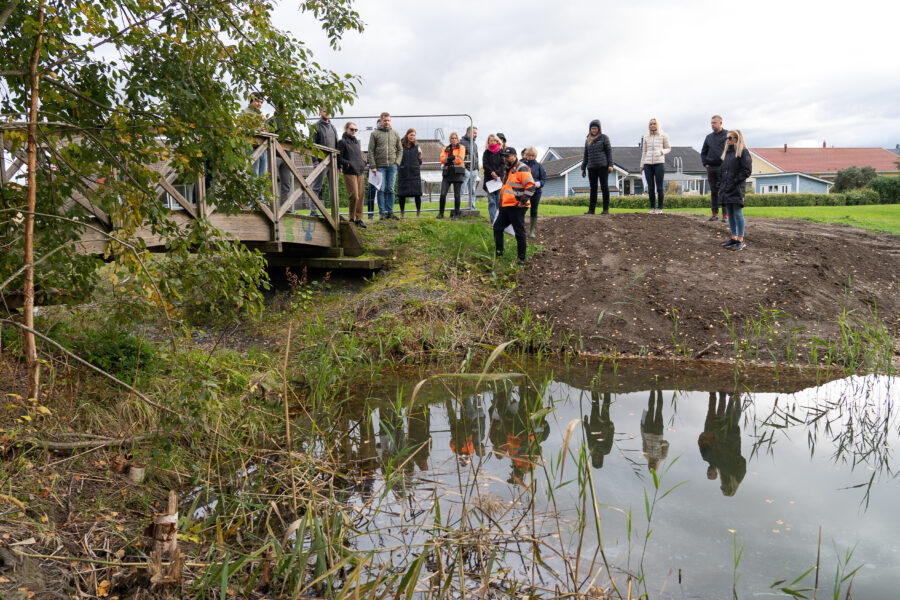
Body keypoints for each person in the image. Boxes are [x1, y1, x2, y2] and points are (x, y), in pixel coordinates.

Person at [698, 392, 747, 497]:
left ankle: (731, 397)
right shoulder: (737, 476)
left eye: (722, 488)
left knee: (727, 417)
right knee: (734, 420)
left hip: (722, 440)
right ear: (731, 488)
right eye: (724, 488)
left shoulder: (723, 475)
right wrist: (733, 457)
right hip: (733, 442)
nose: (722, 486)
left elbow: (719, 458)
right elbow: (742, 462)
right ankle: (737, 398)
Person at [493, 146, 535, 265]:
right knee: (497, 227)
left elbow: (531, 186)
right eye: (504, 157)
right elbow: (506, 188)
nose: (505, 158)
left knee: (519, 231)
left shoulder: (522, 168)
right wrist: (501, 205)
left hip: (517, 206)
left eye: (508, 156)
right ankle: (499, 253)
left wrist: (522, 201)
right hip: (506, 205)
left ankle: (521, 258)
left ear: (515, 156)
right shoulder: (507, 169)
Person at [720, 129, 752, 251]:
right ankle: (733, 238)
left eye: (730, 138)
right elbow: (723, 172)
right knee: (731, 214)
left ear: (736, 139)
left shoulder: (743, 152)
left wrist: (735, 181)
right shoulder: (727, 154)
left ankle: (741, 240)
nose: (727, 140)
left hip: (737, 188)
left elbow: (747, 171)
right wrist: (721, 185)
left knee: (738, 213)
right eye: (726, 138)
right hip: (726, 188)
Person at [368, 112, 403, 220]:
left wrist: (397, 162)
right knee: (381, 189)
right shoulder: (375, 134)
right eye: (385, 120)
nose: (387, 122)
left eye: (388, 120)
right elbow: (371, 151)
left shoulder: (395, 133)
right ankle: (382, 212)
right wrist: (373, 166)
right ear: (381, 121)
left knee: (391, 189)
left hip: (392, 166)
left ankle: (390, 212)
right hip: (379, 167)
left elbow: (400, 149)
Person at [336, 121, 367, 227]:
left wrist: (363, 163)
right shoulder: (342, 142)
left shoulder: (356, 142)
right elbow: (339, 157)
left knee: (361, 196)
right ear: (346, 129)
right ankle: (351, 218)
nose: (354, 131)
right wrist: (347, 164)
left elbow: (358, 156)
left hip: (359, 171)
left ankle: (359, 219)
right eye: (351, 129)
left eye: (355, 130)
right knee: (354, 195)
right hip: (349, 172)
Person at [581, 119, 614, 215]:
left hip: (602, 167)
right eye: (592, 128)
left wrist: (610, 165)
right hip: (591, 167)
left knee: (604, 187)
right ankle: (591, 210)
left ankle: (605, 209)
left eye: (595, 128)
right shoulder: (587, 140)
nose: (594, 130)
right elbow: (586, 155)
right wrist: (583, 168)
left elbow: (609, 152)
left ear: (599, 129)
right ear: (590, 129)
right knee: (593, 189)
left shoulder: (604, 138)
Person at [701, 115, 729, 222]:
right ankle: (714, 213)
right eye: (711, 123)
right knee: (713, 191)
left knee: (724, 191)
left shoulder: (727, 135)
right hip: (711, 168)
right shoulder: (708, 137)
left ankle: (725, 215)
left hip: (723, 167)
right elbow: (703, 152)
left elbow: (732, 149)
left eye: (714, 123)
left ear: (720, 123)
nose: (712, 125)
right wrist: (705, 163)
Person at [639, 118, 671, 214]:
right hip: (648, 164)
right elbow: (644, 152)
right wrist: (642, 165)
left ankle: (660, 208)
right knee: (650, 187)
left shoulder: (663, 135)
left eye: (654, 124)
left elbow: (668, 148)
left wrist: (662, 151)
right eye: (650, 124)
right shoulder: (646, 137)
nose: (652, 125)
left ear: (657, 125)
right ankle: (652, 207)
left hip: (659, 163)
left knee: (659, 186)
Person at [311, 107, 338, 216]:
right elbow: (312, 145)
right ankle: (313, 211)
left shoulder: (333, 127)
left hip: (333, 162)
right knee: (316, 187)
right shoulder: (315, 126)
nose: (327, 113)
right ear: (320, 112)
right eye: (324, 111)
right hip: (321, 162)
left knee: (334, 189)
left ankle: (335, 213)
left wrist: (338, 164)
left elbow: (336, 146)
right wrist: (315, 161)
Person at [438, 132, 466, 219]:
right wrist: (451, 159)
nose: (454, 140)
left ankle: (456, 214)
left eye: (455, 138)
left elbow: (460, 159)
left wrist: (449, 160)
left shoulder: (462, 147)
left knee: (457, 195)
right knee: (443, 194)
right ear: (450, 139)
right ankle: (441, 213)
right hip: (447, 173)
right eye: (452, 138)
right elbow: (442, 159)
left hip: (458, 172)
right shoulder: (445, 148)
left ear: (458, 139)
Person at [583, 390, 615, 469]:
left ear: (592, 459)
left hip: (593, 424)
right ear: (601, 460)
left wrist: (586, 424)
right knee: (606, 406)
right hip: (605, 426)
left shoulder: (591, 448)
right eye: (598, 460)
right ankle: (607, 389)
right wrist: (611, 428)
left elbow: (588, 435)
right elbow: (610, 438)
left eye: (595, 460)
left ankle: (594, 388)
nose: (596, 459)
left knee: (594, 405)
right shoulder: (606, 450)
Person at [641, 389, 669, 472]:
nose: (652, 465)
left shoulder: (646, 456)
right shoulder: (662, 457)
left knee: (650, 408)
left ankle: (652, 390)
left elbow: (644, 442)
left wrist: (642, 429)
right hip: (658, 433)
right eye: (653, 467)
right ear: (656, 467)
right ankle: (659, 391)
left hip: (647, 431)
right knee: (659, 410)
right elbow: (667, 444)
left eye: (650, 467)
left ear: (648, 466)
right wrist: (660, 444)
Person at [397, 128, 423, 217]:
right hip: (403, 172)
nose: (412, 137)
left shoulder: (417, 147)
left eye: (414, 135)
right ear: (407, 135)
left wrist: (415, 165)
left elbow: (420, 160)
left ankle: (418, 212)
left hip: (414, 173)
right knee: (402, 194)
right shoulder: (400, 145)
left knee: (417, 193)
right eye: (411, 135)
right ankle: (402, 212)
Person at [522, 147, 546, 238]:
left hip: (536, 192)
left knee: (534, 210)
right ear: (526, 155)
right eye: (528, 155)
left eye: (532, 155)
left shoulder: (539, 166)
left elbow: (543, 179)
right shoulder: (522, 165)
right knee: (522, 209)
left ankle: (531, 231)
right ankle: (521, 229)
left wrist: (540, 183)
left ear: (535, 156)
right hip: (524, 191)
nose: (530, 157)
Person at [481, 133, 505, 223]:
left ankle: (499, 219)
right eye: (491, 140)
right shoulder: (486, 152)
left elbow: (503, 164)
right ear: (488, 142)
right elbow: (485, 164)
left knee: (498, 200)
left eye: (495, 140)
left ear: (497, 141)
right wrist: (492, 172)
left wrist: (497, 174)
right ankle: (493, 220)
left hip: (498, 179)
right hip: (489, 179)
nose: (493, 142)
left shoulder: (501, 152)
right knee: (491, 201)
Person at [244, 92, 267, 179]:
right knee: (254, 174)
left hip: (262, 146)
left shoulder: (260, 114)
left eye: (261, 102)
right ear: (252, 101)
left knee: (262, 175)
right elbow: (242, 129)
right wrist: (258, 130)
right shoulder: (245, 113)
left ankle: (261, 193)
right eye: (257, 101)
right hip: (251, 146)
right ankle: (253, 192)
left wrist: (264, 131)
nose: (259, 104)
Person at [460, 126, 479, 210]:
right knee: (461, 189)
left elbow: (477, 157)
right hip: (465, 170)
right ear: (468, 133)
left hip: (474, 170)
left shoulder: (474, 144)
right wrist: (463, 168)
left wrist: (477, 168)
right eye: (474, 133)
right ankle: (457, 208)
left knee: (472, 190)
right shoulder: (461, 142)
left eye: (476, 133)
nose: (476, 135)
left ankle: (472, 207)